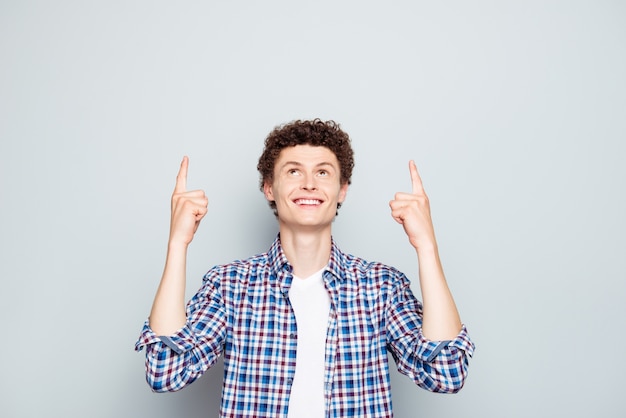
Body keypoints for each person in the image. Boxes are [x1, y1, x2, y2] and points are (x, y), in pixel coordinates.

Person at [135, 119, 475, 418]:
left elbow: (446, 373)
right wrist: (177, 245)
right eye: (293, 171)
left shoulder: (381, 286)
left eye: (323, 172)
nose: (309, 184)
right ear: (269, 188)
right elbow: (166, 372)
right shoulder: (229, 285)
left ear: (341, 191)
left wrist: (427, 247)